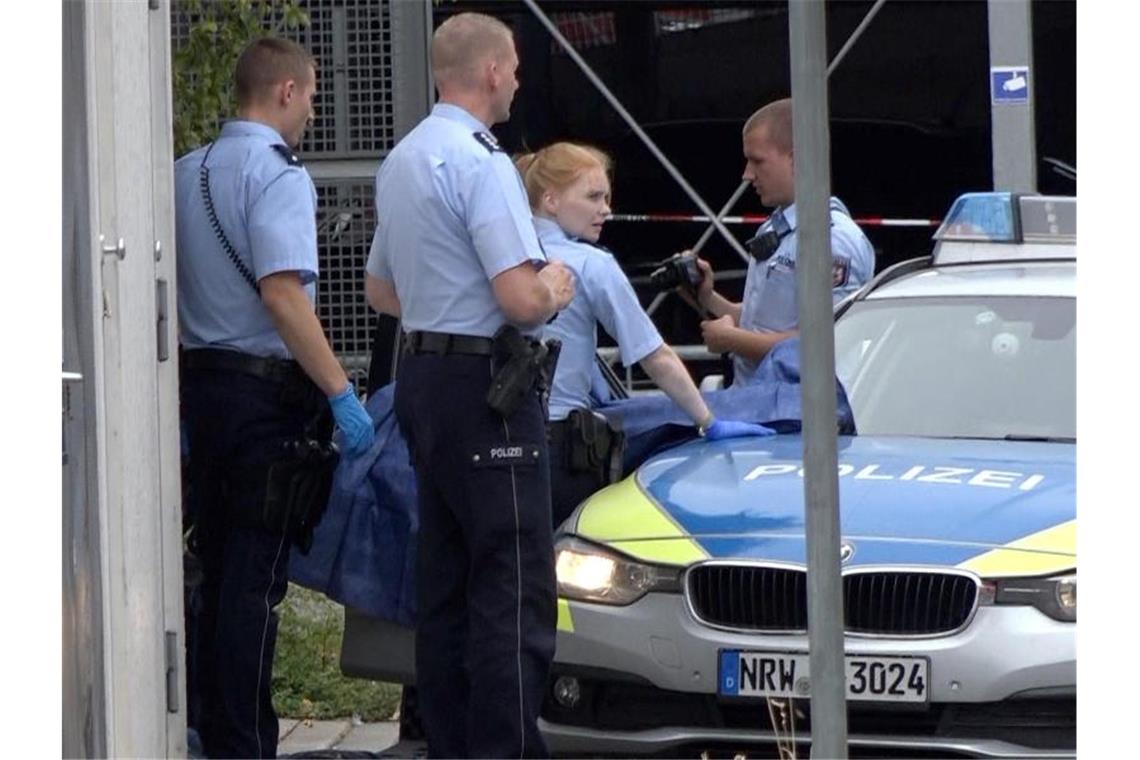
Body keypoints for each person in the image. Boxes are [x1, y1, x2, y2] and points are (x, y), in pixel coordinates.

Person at [363, 13, 575, 758]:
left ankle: (451, 745)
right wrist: (553, 283)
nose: (517, 80)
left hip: (423, 378)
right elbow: (519, 300)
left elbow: (380, 290)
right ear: (490, 72)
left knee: (446, 582)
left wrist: (442, 295)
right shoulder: (482, 163)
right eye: (513, 68)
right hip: (489, 388)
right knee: (511, 583)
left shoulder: (406, 157)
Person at [175, 37, 374, 758]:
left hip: (202, 390)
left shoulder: (184, 171)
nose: (314, 111)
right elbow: (284, 295)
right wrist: (342, 394)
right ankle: (243, 743)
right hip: (262, 402)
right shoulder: (280, 177)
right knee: (254, 586)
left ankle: (197, 725)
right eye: (315, 95)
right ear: (286, 92)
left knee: (214, 566)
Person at [516, 142, 775, 527]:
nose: (606, 209)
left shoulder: (501, 255)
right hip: (554, 444)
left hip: (493, 436)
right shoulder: (590, 264)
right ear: (550, 200)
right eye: (593, 196)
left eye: (607, 197)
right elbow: (655, 355)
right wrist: (708, 420)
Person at [689, 98, 875, 386]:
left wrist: (731, 340)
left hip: (799, 413)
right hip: (763, 404)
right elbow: (765, 324)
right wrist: (709, 298)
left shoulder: (831, 239)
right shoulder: (776, 227)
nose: (747, 174)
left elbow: (824, 340)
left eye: (757, 161)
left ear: (796, 159)